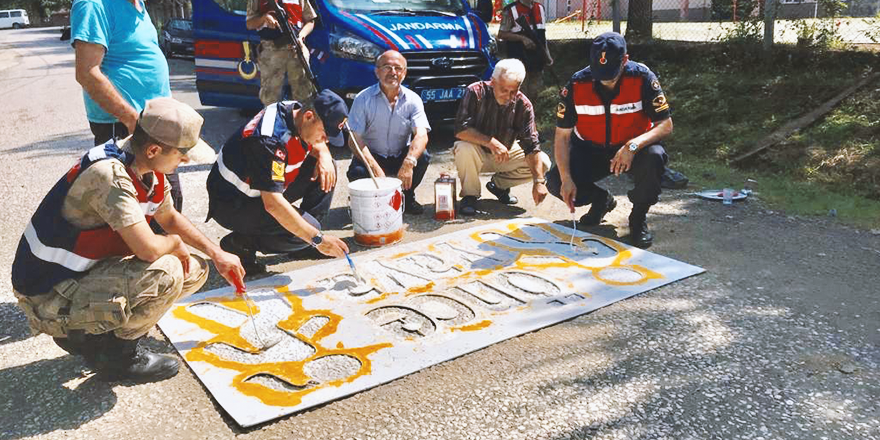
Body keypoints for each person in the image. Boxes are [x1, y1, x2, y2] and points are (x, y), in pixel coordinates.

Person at [11, 98, 245, 383]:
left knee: (194, 270)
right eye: (182, 155)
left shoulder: (144, 164)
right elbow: (148, 250)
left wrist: (216, 252)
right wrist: (173, 243)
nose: (184, 161)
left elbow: (168, 216)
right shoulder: (108, 175)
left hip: (77, 275)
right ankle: (116, 356)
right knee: (168, 272)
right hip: (47, 291)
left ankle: (96, 334)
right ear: (154, 149)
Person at [546, 32, 673, 249]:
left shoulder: (643, 77)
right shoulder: (577, 83)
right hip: (590, 150)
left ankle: (638, 219)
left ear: (625, 60)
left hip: (633, 149)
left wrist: (632, 146)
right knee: (556, 182)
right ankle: (601, 200)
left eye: (611, 74)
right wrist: (567, 178)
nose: (605, 79)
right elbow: (562, 136)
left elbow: (666, 125)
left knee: (655, 158)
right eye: (599, 73)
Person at [206, 90, 350, 274]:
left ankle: (302, 244)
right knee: (312, 230)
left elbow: (317, 142)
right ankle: (241, 243)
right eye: (324, 133)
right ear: (308, 117)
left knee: (327, 167)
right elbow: (273, 203)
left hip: (258, 188)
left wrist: (323, 153)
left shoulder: (294, 111)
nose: (326, 140)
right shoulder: (268, 140)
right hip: (234, 203)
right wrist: (317, 238)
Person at [71, 0, 184, 214]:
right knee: (135, 211)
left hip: (153, 124)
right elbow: (87, 72)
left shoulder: (138, 4)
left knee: (166, 205)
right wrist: (132, 119)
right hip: (125, 126)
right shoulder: (94, 5)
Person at [453, 58, 552, 216]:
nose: (508, 96)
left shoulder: (524, 105)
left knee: (543, 163)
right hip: (476, 153)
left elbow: (532, 146)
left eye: (514, 91)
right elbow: (460, 129)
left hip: (504, 154)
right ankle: (470, 195)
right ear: (492, 82)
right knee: (463, 147)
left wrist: (538, 182)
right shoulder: (474, 92)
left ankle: (499, 186)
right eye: (504, 90)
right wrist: (491, 142)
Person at [347, 50, 431, 215]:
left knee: (423, 157)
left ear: (404, 73)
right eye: (387, 67)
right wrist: (374, 167)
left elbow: (421, 135)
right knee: (358, 172)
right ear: (377, 71)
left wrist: (409, 162)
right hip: (372, 155)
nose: (393, 72)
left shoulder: (413, 100)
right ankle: (373, 203)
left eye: (398, 68)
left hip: (399, 154)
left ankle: (407, 196)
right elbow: (354, 139)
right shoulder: (363, 99)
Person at [247, 0, 317, 105]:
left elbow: (310, 21)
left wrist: (301, 36)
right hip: (271, 52)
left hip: (297, 50)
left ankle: (300, 118)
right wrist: (264, 18)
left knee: (304, 95)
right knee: (270, 98)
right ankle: (274, 120)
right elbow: (249, 23)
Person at [497, 0, 553, 101]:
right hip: (519, 59)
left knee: (535, 92)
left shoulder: (540, 8)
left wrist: (547, 54)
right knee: (519, 94)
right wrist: (522, 39)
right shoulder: (510, 10)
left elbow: (542, 35)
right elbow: (501, 34)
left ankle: (531, 114)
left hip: (537, 59)